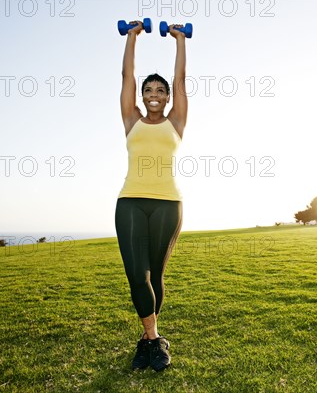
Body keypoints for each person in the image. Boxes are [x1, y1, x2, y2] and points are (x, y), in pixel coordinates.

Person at [114, 20, 187, 372]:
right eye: (149, 90)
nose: (155, 94)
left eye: (160, 91)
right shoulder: (132, 119)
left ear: (168, 97)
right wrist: (131, 37)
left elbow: (181, 80)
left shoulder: (177, 121)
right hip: (130, 201)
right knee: (137, 275)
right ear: (142, 97)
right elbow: (127, 76)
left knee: (156, 275)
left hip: (168, 205)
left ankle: (148, 342)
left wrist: (179, 40)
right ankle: (154, 338)